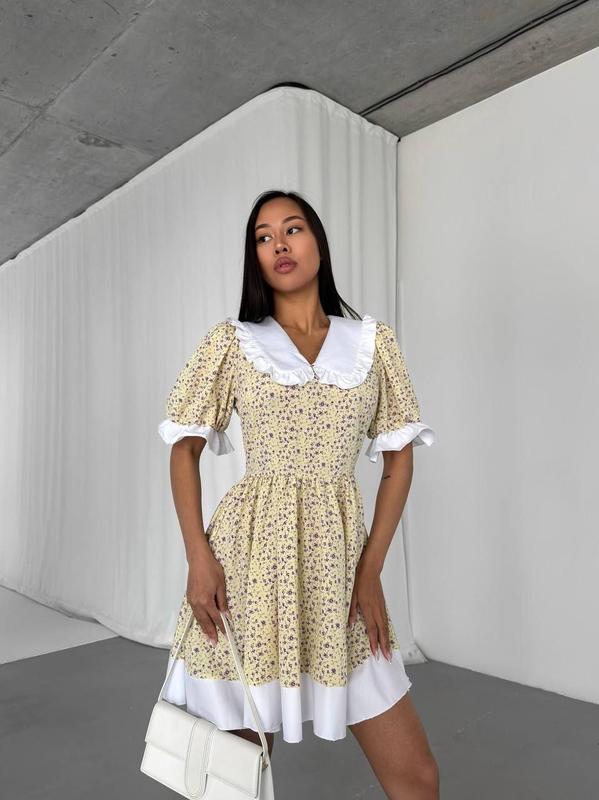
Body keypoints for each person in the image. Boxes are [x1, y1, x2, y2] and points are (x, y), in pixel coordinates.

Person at [157, 189, 439, 799]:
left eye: (292, 229)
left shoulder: (374, 343)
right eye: (263, 237)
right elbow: (184, 448)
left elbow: (399, 460)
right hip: (249, 564)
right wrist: (198, 556)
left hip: (339, 566)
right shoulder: (232, 341)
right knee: (235, 779)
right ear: (255, 257)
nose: (279, 244)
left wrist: (371, 571)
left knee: (417, 779)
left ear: (319, 243)